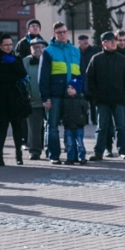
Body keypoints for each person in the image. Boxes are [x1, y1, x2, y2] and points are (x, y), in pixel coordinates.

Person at [86, 32, 125, 161]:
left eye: (114, 40)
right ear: (103, 43)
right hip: (102, 100)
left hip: (119, 99)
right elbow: (89, 79)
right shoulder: (96, 59)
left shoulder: (122, 59)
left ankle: (123, 151)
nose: (114, 42)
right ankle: (98, 152)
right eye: (110, 40)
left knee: (121, 126)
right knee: (102, 127)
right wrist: (94, 96)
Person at [39, 22, 82, 165]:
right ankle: (54, 155)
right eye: (59, 32)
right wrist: (46, 98)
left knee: (71, 126)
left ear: (68, 32)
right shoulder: (48, 51)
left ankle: (72, 155)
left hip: (71, 96)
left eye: (64, 31)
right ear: (54, 34)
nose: (62, 34)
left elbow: (79, 73)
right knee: (52, 127)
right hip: (55, 95)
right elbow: (43, 78)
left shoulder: (76, 51)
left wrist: (76, 89)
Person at [0, 32, 32, 166]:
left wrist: (13, 64)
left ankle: (19, 154)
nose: (8, 47)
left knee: (17, 126)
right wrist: (17, 77)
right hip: (1, 97)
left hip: (17, 97)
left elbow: (23, 73)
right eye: (5, 45)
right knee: (2, 126)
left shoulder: (16, 58)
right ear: (0, 46)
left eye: (10, 44)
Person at [22, 37, 47, 161]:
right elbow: (21, 80)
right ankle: (34, 151)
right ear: (30, 49)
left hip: (49, 100)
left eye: (41, 47)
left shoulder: (50, 59)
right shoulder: (25, 62)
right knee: (34, 128)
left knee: (50, 127)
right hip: (33, 100)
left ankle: (50, 150)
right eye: (35, 47)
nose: (38, 49)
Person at [61, 78, 89, 165]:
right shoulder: (65, 100)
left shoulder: (81, 100)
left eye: (72, 88)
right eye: (68, 87)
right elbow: (63, 111)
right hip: (68, 125)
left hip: (78, 125)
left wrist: (82, 120)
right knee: (69, 144)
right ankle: (70, 158)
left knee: (80, 143)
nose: (69, 90)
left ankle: (82, 157)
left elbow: (85, 111)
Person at [77, 34, 99, 125]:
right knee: (83, 102)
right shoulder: (77, 52)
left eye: (86, 39)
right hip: (81, 80)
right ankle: (84, 120)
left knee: (93, 102)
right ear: (79, 42)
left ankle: (94, 120)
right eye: (83, 40)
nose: (85, 41)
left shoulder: (94, 51)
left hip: (92, 80)